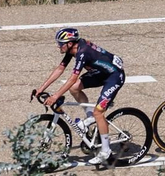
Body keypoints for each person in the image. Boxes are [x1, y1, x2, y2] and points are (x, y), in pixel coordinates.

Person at [37, 28, 127, 166]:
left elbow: (72, 78)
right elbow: (60, 69)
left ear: (70, 43)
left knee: (99, 112)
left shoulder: (82, 52)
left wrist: (55, 96)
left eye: (61, 43)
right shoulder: (72, 49)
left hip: (114, 77)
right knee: (74, 89)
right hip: (101, 73)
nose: (58, 46)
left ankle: (106, 151)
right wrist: (41, 89)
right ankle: (90, 119)